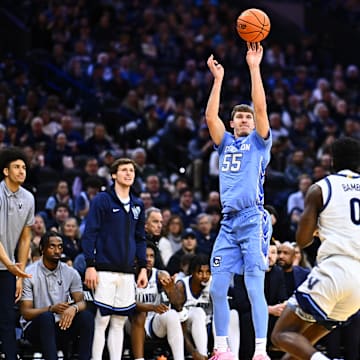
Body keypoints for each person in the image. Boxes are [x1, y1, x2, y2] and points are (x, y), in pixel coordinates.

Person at [205, 43, 272, 360]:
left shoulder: (260, 143)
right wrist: (218, 79)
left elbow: (261, 109)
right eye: (240, 117)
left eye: (247, 116)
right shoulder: (225, 143)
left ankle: (260, 351)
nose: (245, 119)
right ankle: (221, 348)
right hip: (228, 223)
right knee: (217, 288)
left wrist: (254, 67)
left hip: (253, 220)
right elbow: (209, 115)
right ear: (232, 124)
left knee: (254, 286)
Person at [271, 137, 360, 360]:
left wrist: (319, 227)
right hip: (358, 284)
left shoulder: (321, 188)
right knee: (300, 347)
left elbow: (302, 241)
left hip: (335, 270)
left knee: (281, 336)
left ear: (332, 161)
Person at [82, 157, 148, 360]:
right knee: (102, 321)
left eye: (131, 171)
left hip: (128, 272)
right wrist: (90, 265)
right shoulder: (102, 200)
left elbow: (140, 238)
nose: (129, 173)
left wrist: (143, 267)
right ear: (113, 175)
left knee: (119, 322)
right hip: (103, 269)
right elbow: (90, 233)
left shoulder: (138, 204)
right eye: (124, 170)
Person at [20, 231, 94, 360]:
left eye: (60, 247)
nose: (57, 250)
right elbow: (26, 312)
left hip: (61, 326)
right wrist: (50, 309)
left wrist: (74, 308)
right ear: (42, 248)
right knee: (47, 317)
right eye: (52, 246)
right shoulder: (29, 273)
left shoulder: (71, 272)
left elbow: (82, 302)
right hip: (35, 329)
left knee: (86, 317)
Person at [0, 147, 35, 360]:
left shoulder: (29, 198)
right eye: (16, 167)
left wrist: (19, 271)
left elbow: (25, 237)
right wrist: (10, 265)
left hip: (8, 267)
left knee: (7, 317)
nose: (22, 171)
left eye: (24, 167)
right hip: (6, 263)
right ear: (5, 171)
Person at [128, 241, 185, 360]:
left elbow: (178, 304)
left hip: (153, 322)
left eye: (151, 256)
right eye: (145, 256)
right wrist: (152, 307)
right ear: (136, 258)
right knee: (140, 314)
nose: (149, 259)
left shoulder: (160, 275)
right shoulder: (128, 275)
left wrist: (170, 290)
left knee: (172, 314)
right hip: (130, 322)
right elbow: (129, 303)